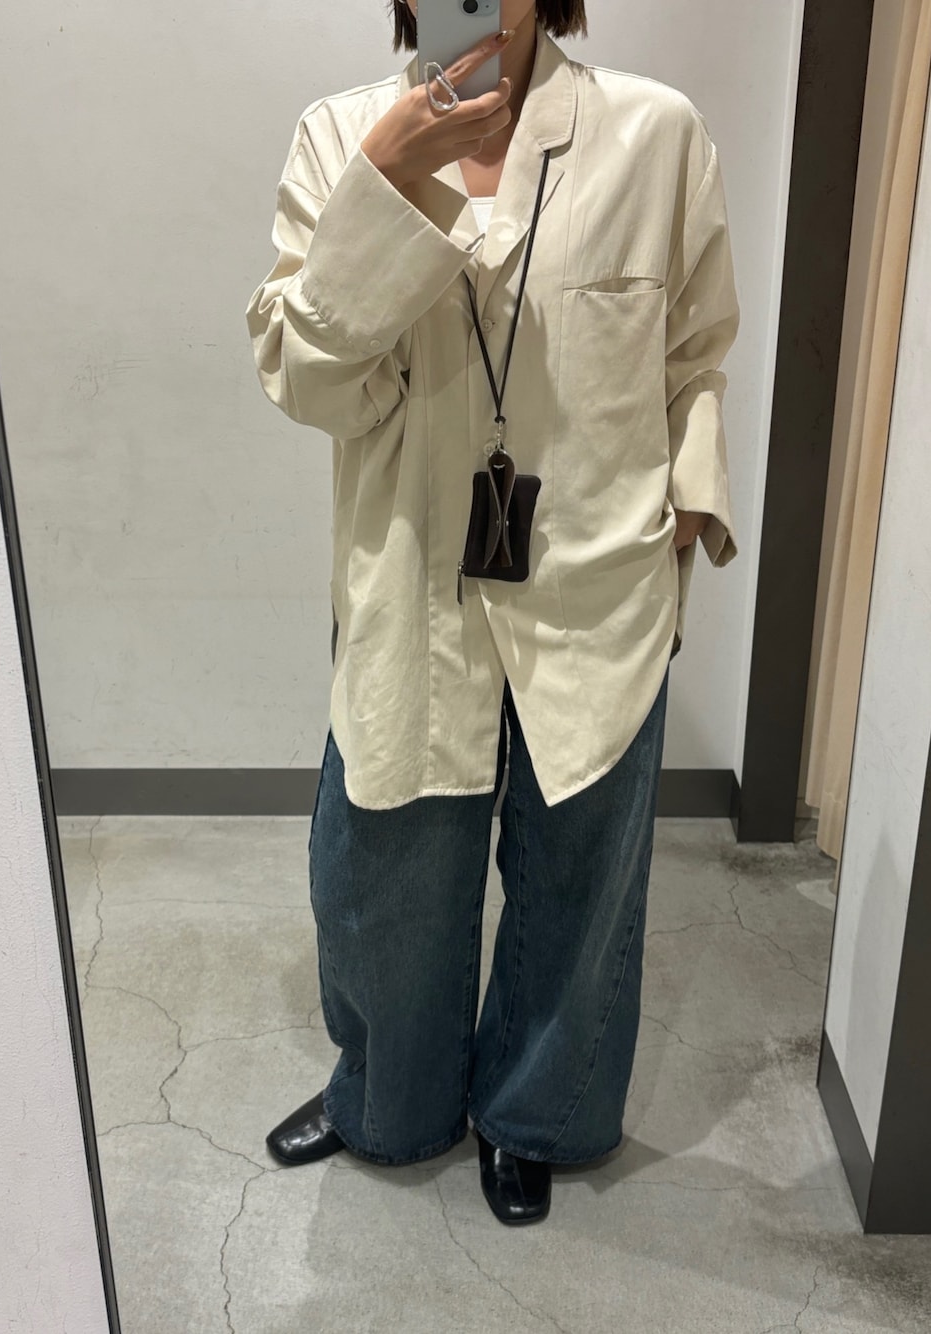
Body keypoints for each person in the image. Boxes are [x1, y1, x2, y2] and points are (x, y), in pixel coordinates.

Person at [245, 0, 740, 1226]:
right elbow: (305, 378)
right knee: (379, 868)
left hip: (596, 576)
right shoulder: (339, 138)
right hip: (413, 567)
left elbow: (694, 349)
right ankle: (387, 1096)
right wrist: (385, 186)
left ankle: (534, 1114)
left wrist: (687, 508)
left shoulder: (652, 133)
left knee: (580, 877)